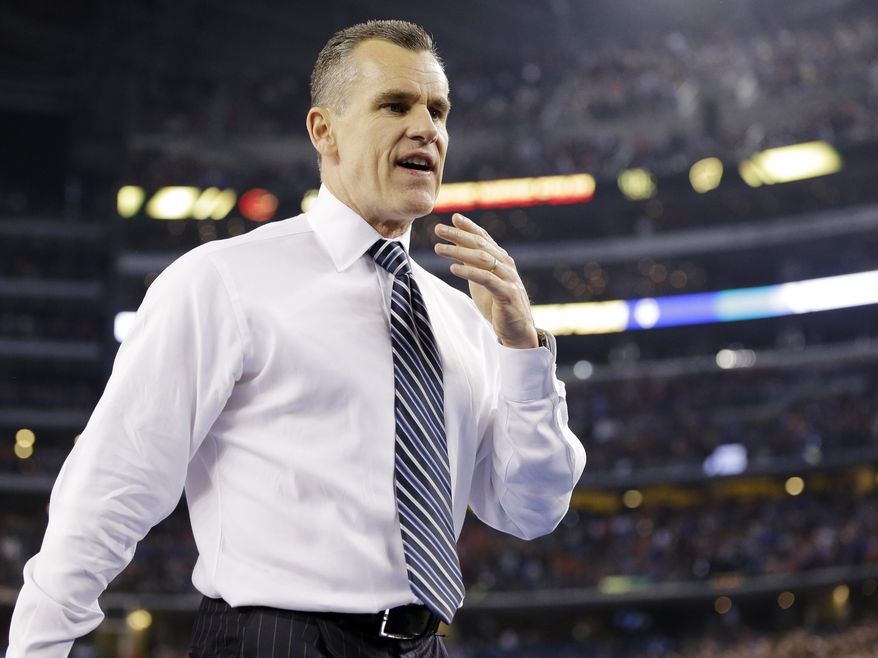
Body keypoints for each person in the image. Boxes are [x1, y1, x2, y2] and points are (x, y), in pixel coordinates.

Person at [7, 19, 585, 658]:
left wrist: (523, 351)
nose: (427, 127)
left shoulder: (463, 317)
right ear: (324, 131)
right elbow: (110, 489)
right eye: (395, 105)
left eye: (438, 110)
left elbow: (530, 510)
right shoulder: (223, 281)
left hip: (424, 647)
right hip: (273, 640)